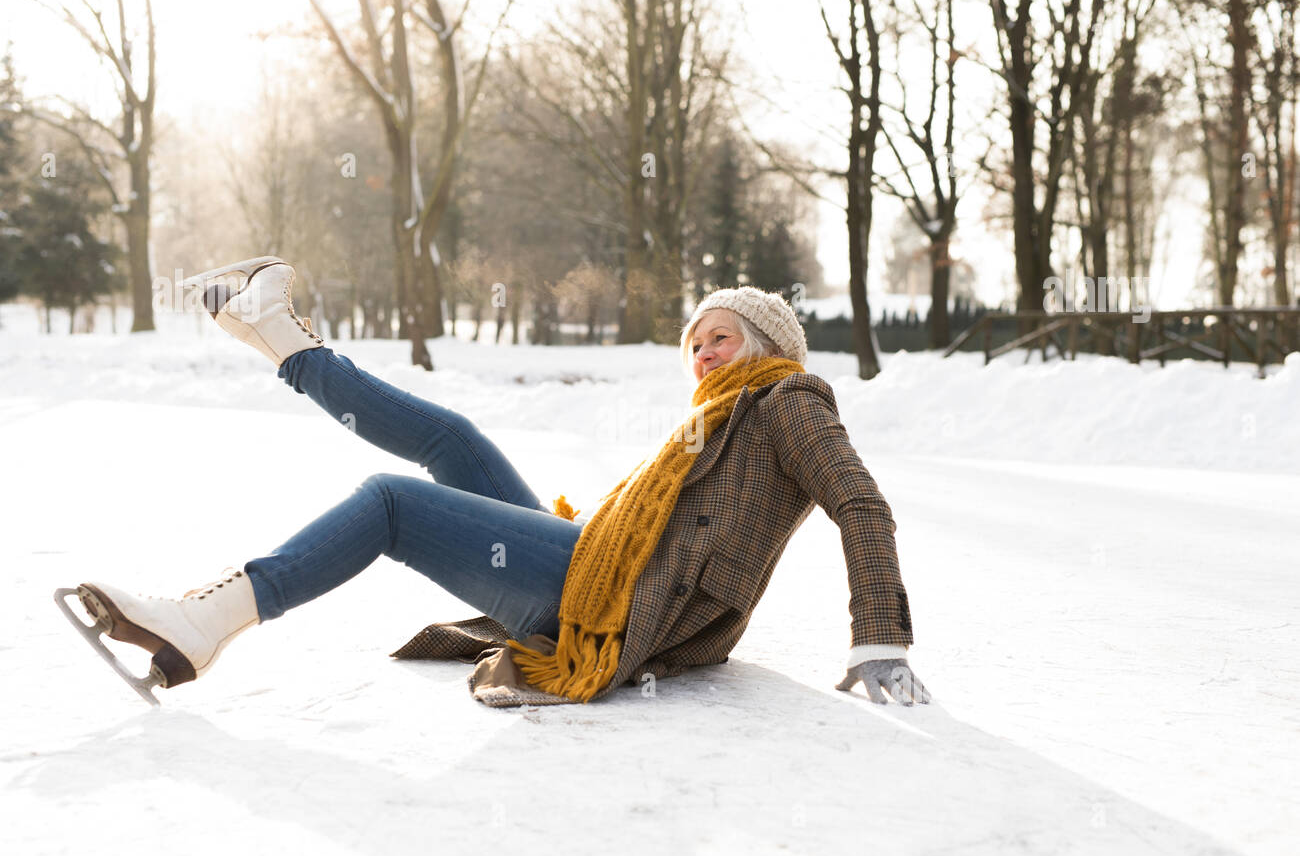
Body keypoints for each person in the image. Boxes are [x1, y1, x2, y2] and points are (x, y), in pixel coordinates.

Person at [59, 257, 930, 708]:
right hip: (595, 564)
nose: (702, 355)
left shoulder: (786, 399)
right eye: (695, 341)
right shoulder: (714, 416)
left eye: (722, 339)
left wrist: (878, 636)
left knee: (390, 503)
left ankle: (200, 623)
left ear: (768, 347)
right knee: (455, 436)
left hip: (613, 606)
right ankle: (282, 337)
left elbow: (860, 502)